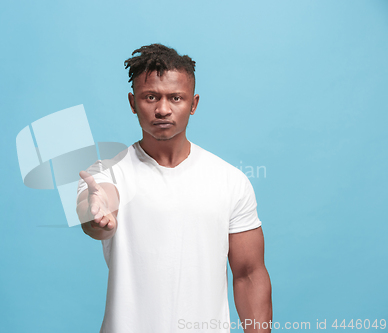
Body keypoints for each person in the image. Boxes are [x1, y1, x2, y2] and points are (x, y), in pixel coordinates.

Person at [76, 43, 272, 333]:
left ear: (193, 104)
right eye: (150, 97)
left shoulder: (230, 180)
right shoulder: (105, 174)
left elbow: (249, 273)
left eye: (176, 98)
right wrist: (98, 217)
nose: (163, 109)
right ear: (133, 103)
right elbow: (98, 211)